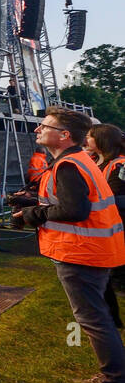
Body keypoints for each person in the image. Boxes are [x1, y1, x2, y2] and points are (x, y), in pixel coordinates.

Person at [11, 108, 125, 383]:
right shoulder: (76, 161)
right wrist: (35, 203)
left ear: (63, 136)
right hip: (92, 249)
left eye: (44, 126)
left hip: (81, 251)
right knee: (99, 316)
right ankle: (113, 375)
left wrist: (32, 213)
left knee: (93, 318)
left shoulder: (69, 165)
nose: (37, 130)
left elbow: (76, 210)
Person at [86, 124, 125, 329]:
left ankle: (112, 319)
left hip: (114, 224)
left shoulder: (120, 165)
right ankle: (110, 316)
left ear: (102, 140)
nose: (86, 139)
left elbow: (115, 195)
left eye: (90, 136)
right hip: (99, 225)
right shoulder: (94, 161)